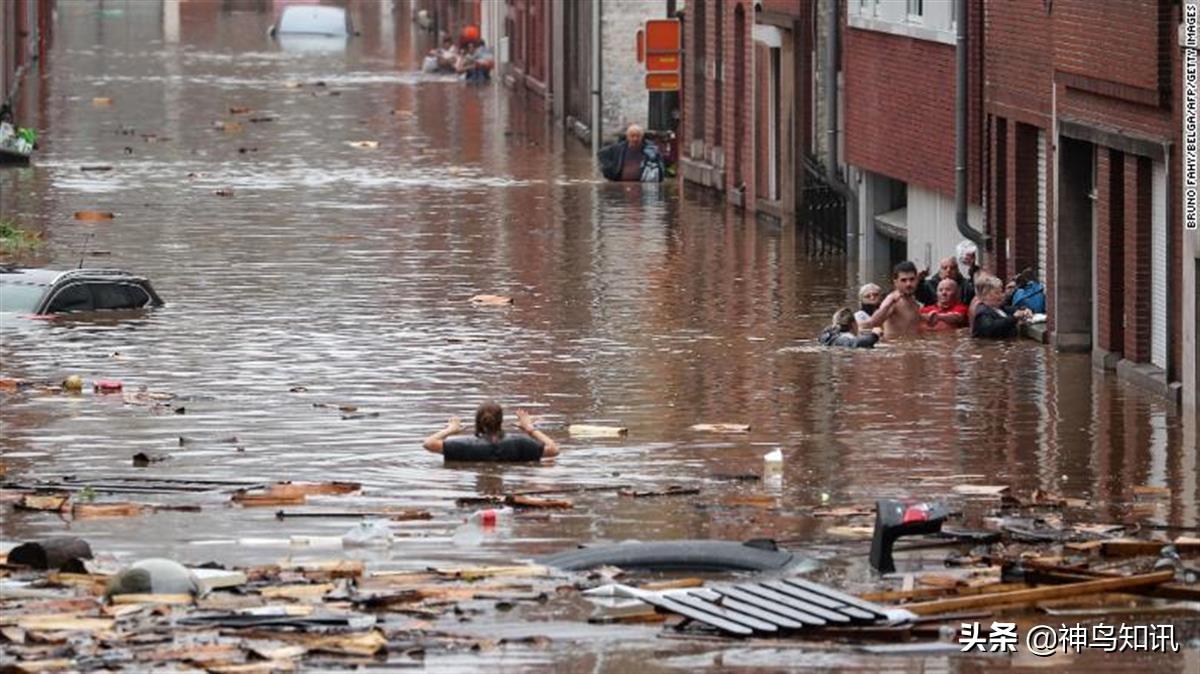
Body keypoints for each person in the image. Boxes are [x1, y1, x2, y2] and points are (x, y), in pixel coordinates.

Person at [423, 402, 559, 462]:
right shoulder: (522, 444)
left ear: (478, 422)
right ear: (501, 421)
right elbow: (553, 450)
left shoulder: (463, 445)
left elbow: (428, 443)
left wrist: (450, 429)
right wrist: (530, 428)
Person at [858, 261, 922, 339]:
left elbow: (909, 320)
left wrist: (928, 317)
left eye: (912, 279)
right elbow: (874, 322)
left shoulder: (913, 300)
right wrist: (888, 303)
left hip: (912, 346)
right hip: (895, 348)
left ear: (917, 280)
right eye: (903, 280)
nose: (908, 284)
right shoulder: (892, 300)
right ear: (895, 282)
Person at [597, 124, 666, 182]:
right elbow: (601, 154)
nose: (635, 139)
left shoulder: (651, 150)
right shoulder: (619, 148)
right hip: (621, 185)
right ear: (627, 137)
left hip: (643, 185)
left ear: (642, 137)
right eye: (632, 136)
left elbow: (660, 167)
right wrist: (609, 169)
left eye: (638, 136)